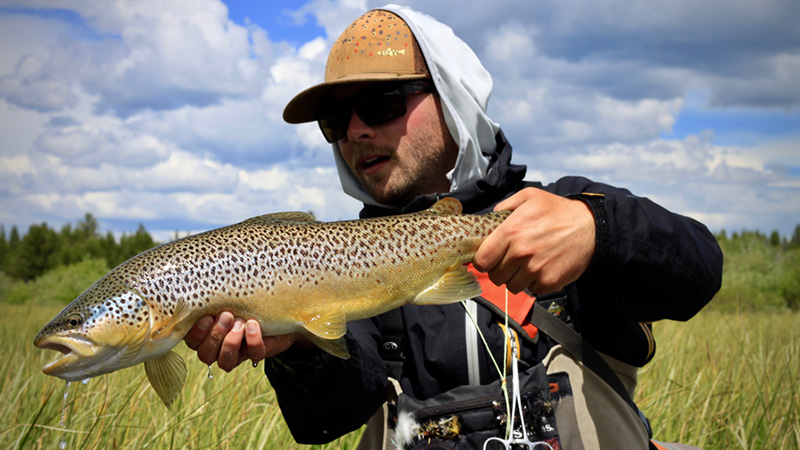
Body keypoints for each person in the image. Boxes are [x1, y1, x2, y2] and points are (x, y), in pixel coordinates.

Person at [184, 5, 722, 449]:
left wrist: (597, 230)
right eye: (336, 121)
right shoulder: (340, 263)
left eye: (380, 103)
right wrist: (298, 348)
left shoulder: (559, 209)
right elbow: (327, 420)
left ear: (453, 96)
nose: (354, 131)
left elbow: (699, 272)